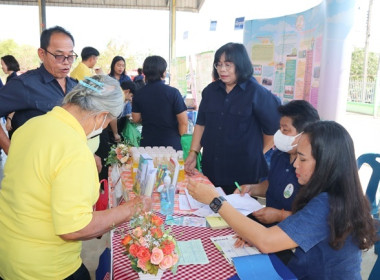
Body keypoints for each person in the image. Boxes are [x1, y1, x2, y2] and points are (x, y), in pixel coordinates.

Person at [0, 75, 152, 280]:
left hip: (9, 252)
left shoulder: (31, 125)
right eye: (108, 121)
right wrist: (132, 208)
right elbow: (74, 227)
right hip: (45, 268)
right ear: (101, 116)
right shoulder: (74, 149)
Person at [187, 121, 377, 279]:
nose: (295, 165)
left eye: (302, 159)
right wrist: (253, 235)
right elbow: (288, 234)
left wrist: (216, 201)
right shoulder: (331, 192)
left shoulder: (328, 202)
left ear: (326, 163)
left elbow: (267, 241)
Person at [184, 42, 281, 194]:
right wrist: (193, 152)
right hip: (212, 168)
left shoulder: (257, 93)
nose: (222, 69)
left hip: (243, 173)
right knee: (210, 211)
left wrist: (255, 152)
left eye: (228, 65)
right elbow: (201, 124)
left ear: (240, 65)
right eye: (219, 64)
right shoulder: (211, 91)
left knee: (237, 215)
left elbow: (274, 130)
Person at [235, 100, 320, 226]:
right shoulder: (279, 154)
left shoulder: (313, 167)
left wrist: (279, 216)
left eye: (285, 130)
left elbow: (313, 219)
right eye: (279, 128)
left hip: (292, 234)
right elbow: (272, 184)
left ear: (305, 134)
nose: (279, 134)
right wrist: (252, 188)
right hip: (267, 228)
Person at [0, 26, 78, 154]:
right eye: (59, 56)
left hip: (67, 161)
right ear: (42, 54)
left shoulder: (74, 86)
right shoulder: (25, 84)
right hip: (34, 164)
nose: (66, 62)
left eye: (70, 56)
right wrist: (9, 148)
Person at [132, 55, 188, 150]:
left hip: (148, 144)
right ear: (163, 73)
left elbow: (136, 119)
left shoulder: (138, 94)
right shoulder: (173, 93)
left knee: (148, 165)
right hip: (171, 144)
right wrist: (178, 135)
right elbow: (184, 122)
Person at [1, 55, 21, 138]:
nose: (2, 67)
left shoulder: (13, 80)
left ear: (8, 64)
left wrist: (9, 119)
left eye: (2, 64)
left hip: (14, 118)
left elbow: (17, 101)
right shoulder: (10, 78)